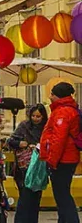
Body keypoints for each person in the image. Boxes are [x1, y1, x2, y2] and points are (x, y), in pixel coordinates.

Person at [39, 82, 80, 223]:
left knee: (62, 195)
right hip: (68, 157)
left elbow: (59, 139)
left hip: (63, 159)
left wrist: (52, 161)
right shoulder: (68, 109)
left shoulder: (63, 112)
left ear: (58, 95)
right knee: (63, 194)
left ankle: (70, 220)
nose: (50, 96)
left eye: (52, 94)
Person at [8, 104, 47, 223]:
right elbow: (11, 141)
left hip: (39, 169)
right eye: (33, 116)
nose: (35, 118)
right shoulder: (24, 126)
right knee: (25, 199)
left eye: (38, 116)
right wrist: (21, 144)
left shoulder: (46, 128)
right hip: (23, 169)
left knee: (35, 199)